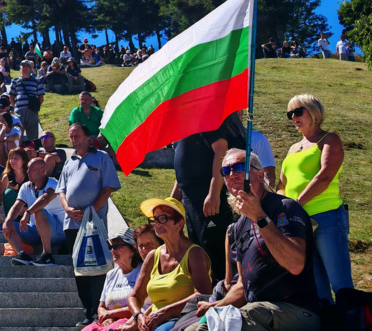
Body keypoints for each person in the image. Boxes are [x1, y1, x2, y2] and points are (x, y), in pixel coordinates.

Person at [179, 149, 320, 331]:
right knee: (196, 329)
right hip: (254, 310)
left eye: (239, 167)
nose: (232, 175)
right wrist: (217, 305)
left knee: (239, 321)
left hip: (294, 309)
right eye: (226, 171)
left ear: (260, 176)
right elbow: (242, 285)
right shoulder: (238, 227)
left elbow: (295, 264)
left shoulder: (284, 208)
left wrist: (260, 218)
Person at [278, 94, 351, 303]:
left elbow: (325, 176)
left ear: (314, 112)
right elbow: (281, 185)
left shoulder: (329, 139)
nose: (293, 117)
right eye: (290, 114)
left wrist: (296, 204)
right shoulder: (292, 149)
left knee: (341, 284)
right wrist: (285, 207)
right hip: (299, 223)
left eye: (298, 112)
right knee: (317, 289)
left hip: (326, 217)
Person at [58, 123, 123, 326]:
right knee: (79, 270)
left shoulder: (102, 157)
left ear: (88, 137)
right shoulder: (69, 162)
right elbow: (61, 190)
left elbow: (108, 187)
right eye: (71, 136)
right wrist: (67, 209)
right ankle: (88, 312)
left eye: (77, 135)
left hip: (93, 224)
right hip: (71, 223)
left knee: (97, 268)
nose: (74, 139)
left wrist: (91, 210)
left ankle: (100, 311)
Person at [170, 112, 246, 283]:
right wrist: (173, 199)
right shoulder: (186, 124)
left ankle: (223, 292)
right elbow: (183, 167)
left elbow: (221, 150)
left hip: (207, 194)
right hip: (190, 198)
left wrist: (213, 193)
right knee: (198, 246)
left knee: (214, 249)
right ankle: (206, 293)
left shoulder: (206, 116)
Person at [122, 197, 212, 331]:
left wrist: (164, 313)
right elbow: (135, 296)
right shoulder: (153, 256)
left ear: (179, 224)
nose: (157, 223)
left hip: (185, 320)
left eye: (163, 218)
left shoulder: (194, 253)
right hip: (153, 321)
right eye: (154, 219)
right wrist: (137, 316)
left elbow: (203, 295)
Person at [4, 157, 65, 266]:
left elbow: (45, 198)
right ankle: (22, 255)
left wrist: (28, 212)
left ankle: (47, 255)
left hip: (59, 231)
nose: (28, 172)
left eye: (32, 169)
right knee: (9, 224)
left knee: (38, 210)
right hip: (36, 230)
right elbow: (17, 206)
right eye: (27, 169)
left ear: (42, 171)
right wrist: (8, 221)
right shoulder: (26, 186)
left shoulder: (53, 183)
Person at [83, 229, 144, 331]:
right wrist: (106, 317)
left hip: (129, 322)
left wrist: (110, 314)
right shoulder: (111, 274)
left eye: (117, 246)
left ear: (132, 250)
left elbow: (142, 306)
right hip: (108, 321)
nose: (112, 250)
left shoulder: (142, 271)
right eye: (111, 247)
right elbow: (101, 306)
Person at [8, 60, 45, 142]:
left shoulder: (36, 81)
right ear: (20, 68)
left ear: (31, 69)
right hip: (19, 111)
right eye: (23, 66)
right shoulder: (15, 81)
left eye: (27, 66)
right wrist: (16, 107)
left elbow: (41, 97)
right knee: (17, 135)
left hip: (32, 111)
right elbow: (11, 96)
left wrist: (35, 107)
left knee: (32, 137)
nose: (25, 68)